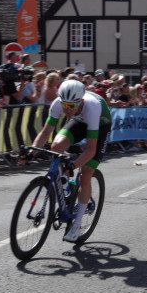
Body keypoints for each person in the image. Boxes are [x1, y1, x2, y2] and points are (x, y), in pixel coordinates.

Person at [30, 80, 112, 242]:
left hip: (100, 125)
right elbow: (45, 133)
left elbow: (91, 149)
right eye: (64, 105)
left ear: (80, 102)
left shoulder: (92, 106)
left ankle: (77, 224)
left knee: (86, 173)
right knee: (56, 145)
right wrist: (31, 152)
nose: (67, 109)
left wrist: (73, 165)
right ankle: (66, 185)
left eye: (71, 106)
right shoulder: (58, 104)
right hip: (79, 122)